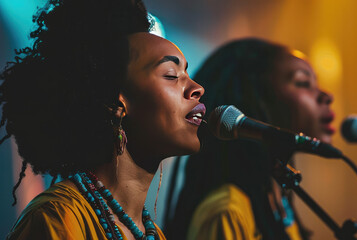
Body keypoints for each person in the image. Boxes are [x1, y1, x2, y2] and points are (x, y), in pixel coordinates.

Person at [1, 0, 205, 239]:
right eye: (171, 75)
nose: (196, 88)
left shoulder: (152, 233)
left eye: (187, 74)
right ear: (117, 104)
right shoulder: (58, 217)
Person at [165, 38, 335, 240]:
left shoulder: (277, 202)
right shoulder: (227, 212)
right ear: (255, 99)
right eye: (303, 82)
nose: (326, 95)